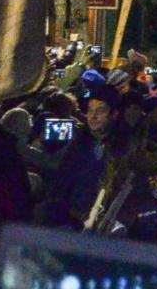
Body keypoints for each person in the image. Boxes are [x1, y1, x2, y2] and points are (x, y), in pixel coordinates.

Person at [48, 84, 130, 227]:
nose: (93, 116)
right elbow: (62, 182)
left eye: (100, 110)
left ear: (114, 114)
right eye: (90, 110)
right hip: (70, 222)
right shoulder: (79, 143)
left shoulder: (125, 147)